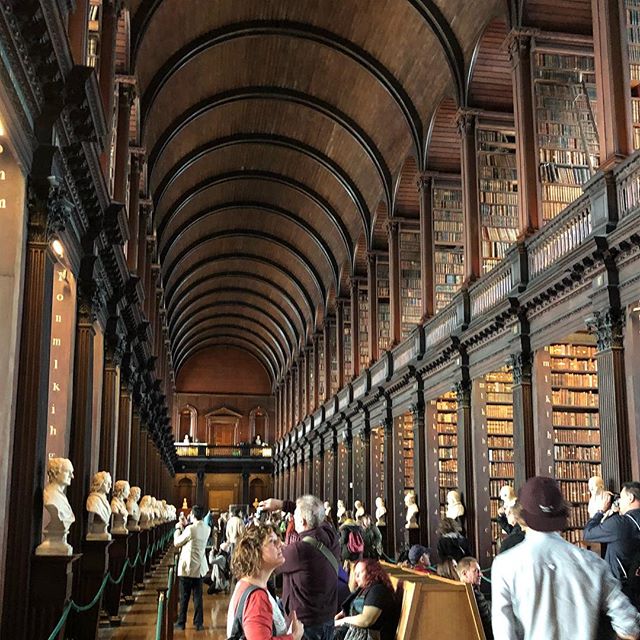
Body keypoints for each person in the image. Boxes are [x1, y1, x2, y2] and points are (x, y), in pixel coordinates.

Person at [492, 476, 640, 640]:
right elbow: (629, 625)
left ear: (522, 515)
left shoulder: (504, 565)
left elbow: (503, 633)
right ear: (563, 512)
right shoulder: (592, 563)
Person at [260, 495, 340, 640]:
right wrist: (281, 505)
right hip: (328, 618)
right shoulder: (331, 535)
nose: (292, 517)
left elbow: (266, 562)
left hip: (306, 624)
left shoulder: (298, 551)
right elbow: (316, 514)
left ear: (302, 521)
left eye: (294, 516)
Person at [227, 525, 304, 640]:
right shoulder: (256, 597)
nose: (281, 545)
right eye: (272, 541)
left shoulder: (246, 584)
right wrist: (294, 637)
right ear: (255, 552)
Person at [584, 481, 640, 605]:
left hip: (621, 594)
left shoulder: (619, 524)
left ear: (630, 498)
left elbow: (588, 533)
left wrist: (600, 511)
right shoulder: (620, 522)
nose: (619, 501)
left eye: (621, 497)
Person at [334, 559, 400, 640]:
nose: (356, 577)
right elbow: (348, 609)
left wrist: (343, 621)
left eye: (360, 572)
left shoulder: (378, 590)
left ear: (371, 573)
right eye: (355, 573)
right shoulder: (362, 589)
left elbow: (366, 620)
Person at [174, 504, 211, 631]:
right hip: (199, 567)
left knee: (184, 596)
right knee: (197, 597)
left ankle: (181, 622)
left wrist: (178, 529)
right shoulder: (207, 528)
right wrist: (186, 525)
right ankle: (198, 623)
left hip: (188, 568)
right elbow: (193, 537)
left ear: (193, 515)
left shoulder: (190, 529)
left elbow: (177, 542)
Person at [36, 457, 75, 555]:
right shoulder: (51, 497)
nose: (72, 476)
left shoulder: (61, 497)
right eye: (68, 472)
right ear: (56, 473)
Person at [457, 557, 492, 640]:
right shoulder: (473, 594)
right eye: (476, 571)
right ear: (464, 573)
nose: (480, 574)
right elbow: (488, 619)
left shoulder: (456, 590)